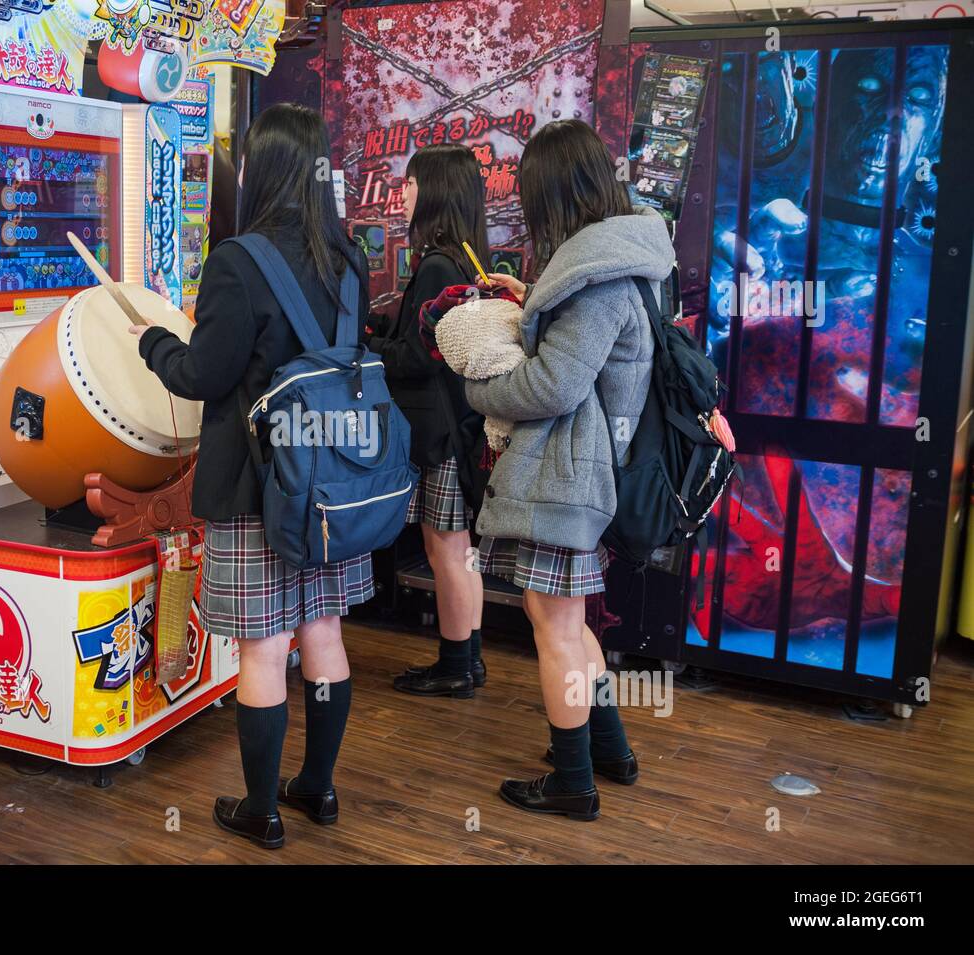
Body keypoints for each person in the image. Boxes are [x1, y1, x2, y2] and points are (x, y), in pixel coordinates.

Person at [129, 103, 371, 850]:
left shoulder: (239, 261)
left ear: (260, 169)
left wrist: (156, 344)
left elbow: (205, 373)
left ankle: (262, 807)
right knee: (323, 630)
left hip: (256, 487)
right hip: (334, 481)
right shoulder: (351, 257)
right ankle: (318, 789)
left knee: (264, 647)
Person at [466, 120, 674, 820]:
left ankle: (574, 782)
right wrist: (531, 297)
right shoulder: (624, 257)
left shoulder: (596, 279)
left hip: (568, 474)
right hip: (591, 472)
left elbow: (553, 384)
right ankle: (607, 751)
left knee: (554, 628)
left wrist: (479, 391)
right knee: (568, 621)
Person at [369, 144, 488, 699]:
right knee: (458, 547)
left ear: (434, 189)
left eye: (412, 183)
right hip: (459, 423)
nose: (405, 193)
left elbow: (422, 356)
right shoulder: (464, 256)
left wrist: (370, 348)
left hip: (437, 429)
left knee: (446, 547)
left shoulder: (438, 262)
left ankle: (456, 664)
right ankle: (469, 656)